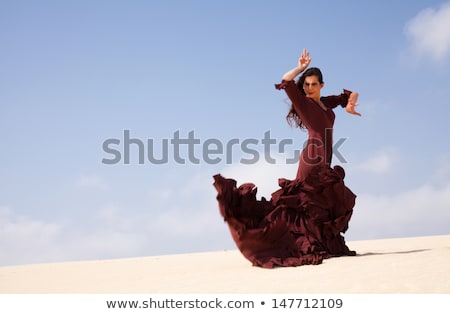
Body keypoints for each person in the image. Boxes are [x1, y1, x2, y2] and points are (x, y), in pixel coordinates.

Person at [213, 49, 361, 268]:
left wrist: (349, 105)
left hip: (325, 157)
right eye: (306, 84)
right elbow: (285, 80)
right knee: (307, 202)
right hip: (312, 159)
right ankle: (295, 243)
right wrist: (300, 68)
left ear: (321, 85)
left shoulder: (324, 103)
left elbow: (352, 94)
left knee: (318, 204)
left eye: (313, 84)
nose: (309, 88)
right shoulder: (305, 103)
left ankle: (316, 243)